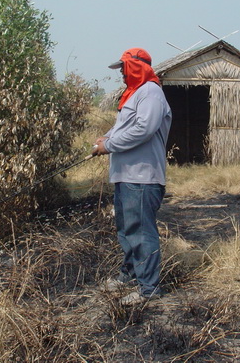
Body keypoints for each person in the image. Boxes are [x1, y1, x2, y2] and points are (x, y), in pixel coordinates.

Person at [93, 47, 172, 305]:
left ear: (135, 67)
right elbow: (123, 127)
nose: (122, 75)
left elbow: (143, 129)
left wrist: (110, 145)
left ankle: (149, 288)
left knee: (140, 231)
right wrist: (106, 138)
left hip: (142, 176)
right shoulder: (134, 94)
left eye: (124, 69)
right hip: (126, 175)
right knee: (126, 230)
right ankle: (129, 274)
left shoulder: (151, 92)